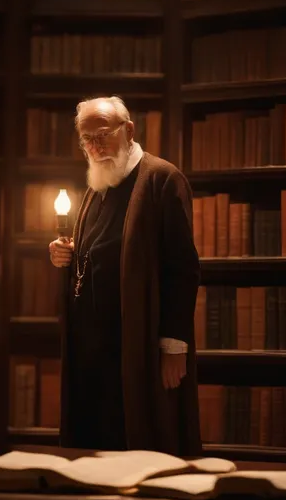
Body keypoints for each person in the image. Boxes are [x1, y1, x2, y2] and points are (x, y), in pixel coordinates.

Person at [48, 95, 202, 456]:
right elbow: (90, 257)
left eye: (102, 134)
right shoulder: (97, 186)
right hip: (91, 350)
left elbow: (183, 269)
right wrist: (62, 255)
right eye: (87, 139)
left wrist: (174, 348)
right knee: (92, 451)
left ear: (129, 129)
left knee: (143, 448)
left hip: (137, 346)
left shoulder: (162, 179)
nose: (94, 146)